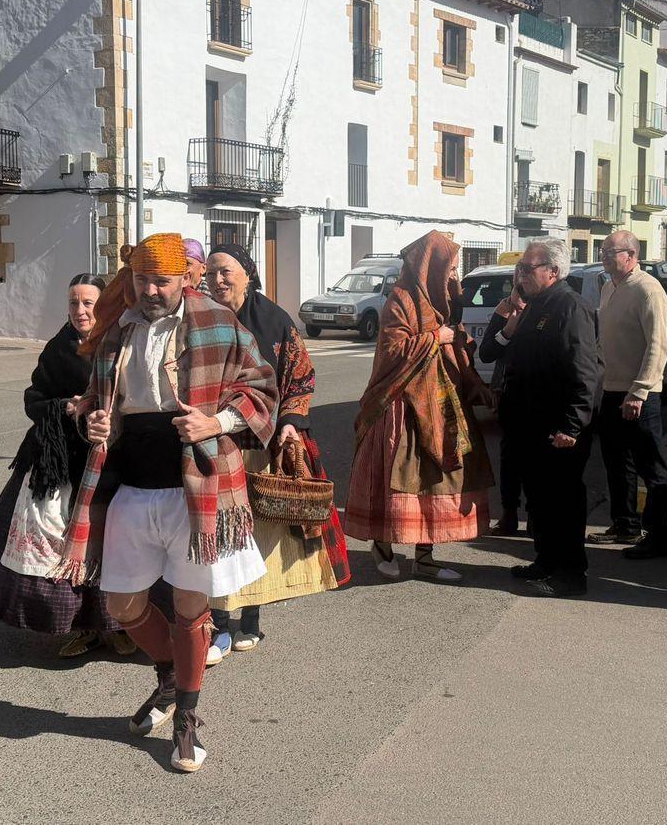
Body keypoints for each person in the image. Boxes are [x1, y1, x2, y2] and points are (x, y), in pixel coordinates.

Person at [52, 233, 277, 773]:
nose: (151, 290)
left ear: (185, 278)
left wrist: (216, 421)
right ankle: (172, 678)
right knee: (123, 606)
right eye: (142, 279)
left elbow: (264, 388)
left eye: (162, 280)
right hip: (131, 488)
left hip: (197, 493)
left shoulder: (220, 324)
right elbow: (106, 405)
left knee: (188, 609)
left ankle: (187, 719)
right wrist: (99, 421)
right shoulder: (116, 331)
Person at [0, 275, 136, 658]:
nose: (80, 311)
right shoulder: (58, 348)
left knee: (112, 544)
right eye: (74, 303)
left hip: (116, 463)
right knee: (63, 548)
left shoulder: (124, 342)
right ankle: (84, 628)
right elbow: (34, 400)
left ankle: (121, 626)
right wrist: (65, 407)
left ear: (105, 304)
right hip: (61, 462)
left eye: (89, 303)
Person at [202, 244, 349, 664]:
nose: (217, 280)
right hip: (216, 444)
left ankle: (249, 618)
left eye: (226, 272)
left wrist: (291, 422)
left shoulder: (275, 322)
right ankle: (219, 622)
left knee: (257, 534)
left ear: (248, 274)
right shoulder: (198, 320)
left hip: (261, 447)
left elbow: (300, 379)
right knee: (220, 534)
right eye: (210, 273)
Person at [345, 230, 493, 583]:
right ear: (433, 266)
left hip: (441, 401)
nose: (455, 274)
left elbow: (453, 335)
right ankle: (382, 544)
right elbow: (393, 351)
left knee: (435, 481)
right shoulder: (401, 298)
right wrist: (435, 338)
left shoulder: (443, 298)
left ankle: (426, 557)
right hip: (402, 401)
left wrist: (458, 340)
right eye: (452, 267)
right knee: (398, 480)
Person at [480, 239, 600, 597]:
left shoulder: (569, 307)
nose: (521, 274)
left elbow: (584, 371)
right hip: (528, 426)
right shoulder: (533, 305)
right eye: (520, 267)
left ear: (553, 271)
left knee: (563, 503)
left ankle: (570, 575)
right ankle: (546, 561)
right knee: (540, 501)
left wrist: (572, 424)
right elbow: (497, 353)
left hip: (556, 427)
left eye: (527, 268)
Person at [588, 231, 667, 559]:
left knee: (651, 467)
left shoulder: (648, 289)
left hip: (640, 395)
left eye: (611, 251)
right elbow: (606, 337)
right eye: (603, 250)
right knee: (616, 462)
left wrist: (639, 391)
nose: (604, 255)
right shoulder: (609, 286)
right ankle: (624, 524)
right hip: (612, 390)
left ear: (632, 255)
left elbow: (658, 345)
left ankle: (658, 536)